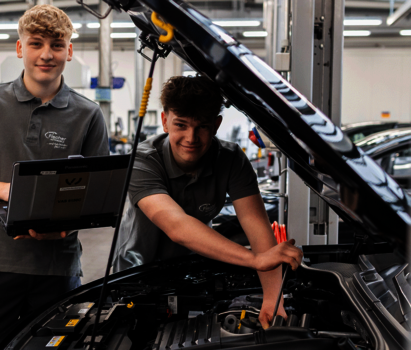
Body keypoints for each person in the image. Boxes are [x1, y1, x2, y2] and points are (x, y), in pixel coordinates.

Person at [0, 5, 109, 349]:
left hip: (57, 270)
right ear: (20, 49)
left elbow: (99, 196)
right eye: (36, 43)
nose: (46, 54)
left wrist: (68, 227)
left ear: (70, 51)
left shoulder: (89, 115)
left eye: (57, 45)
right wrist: (6, 190)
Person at [113, 75, 303, 329]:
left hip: (193, 273)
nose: (191, 138)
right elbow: (177, 226)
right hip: (136, 275)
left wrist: (272, 297)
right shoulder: (143, 161)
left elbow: (256, 225)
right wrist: (254, 259)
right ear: (165, 121)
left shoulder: (231, 159)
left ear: (216, 124)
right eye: (181, 125)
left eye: (201, 126)